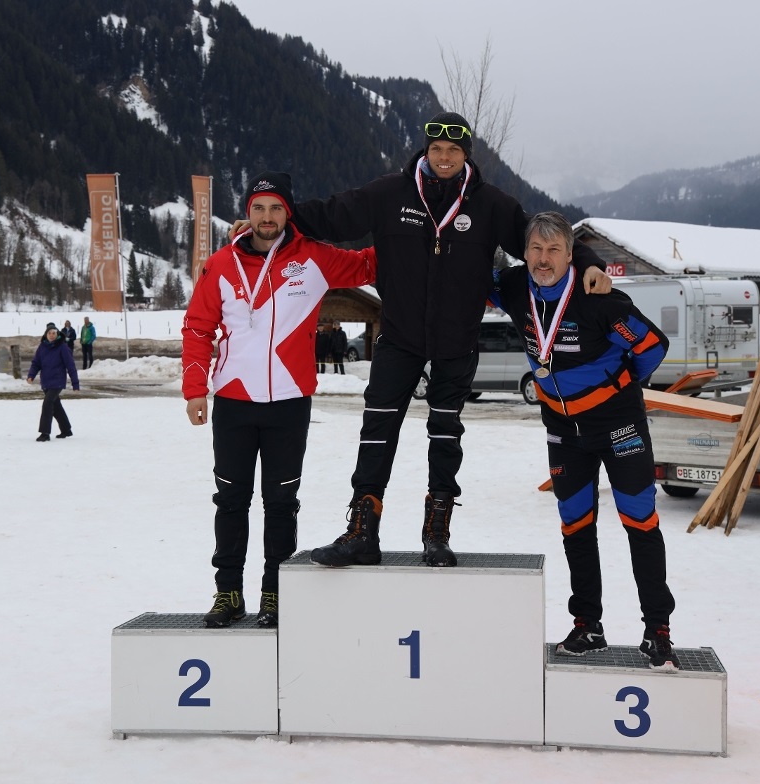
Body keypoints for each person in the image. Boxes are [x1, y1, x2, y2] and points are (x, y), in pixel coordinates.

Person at [284, 111, 612, 568]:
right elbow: (331, 215)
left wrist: (590, 261)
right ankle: (362, 531)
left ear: (466, 155)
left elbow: (540, 238)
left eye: (453, 150)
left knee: (445, 435)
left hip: (457, 341)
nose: (444, 157)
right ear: (425, 150)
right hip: (399, 337)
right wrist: (276, 219)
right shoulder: (389, 193)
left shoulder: (490, 205)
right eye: (436, 149)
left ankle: (436, 532)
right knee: (377, 431)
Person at [182, 171, 377, 629]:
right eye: (258, 208)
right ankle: (228, 593)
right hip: (233, 403)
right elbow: (197, 328)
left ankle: (276, 592)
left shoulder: (314, 258)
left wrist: (411, 230)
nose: (266, 217)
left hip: (289, 402)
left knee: (282, 503)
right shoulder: (220, 264)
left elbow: (368, 265)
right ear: (247, 213)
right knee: (231, 501)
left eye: (275, 208)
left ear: (288, 213)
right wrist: (195, 390)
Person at [489, 211, 679, 670]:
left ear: (571, 255)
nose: (543, 259)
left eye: (554, 250)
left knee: (640, 522)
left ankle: (658, 630)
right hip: (563, 431)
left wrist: (618, 388)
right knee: (575, 525)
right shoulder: (514, 288)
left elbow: (652, 346)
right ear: (524, 252)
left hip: (619, 427)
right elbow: (468, 275)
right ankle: (587, 625)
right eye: (536, 249)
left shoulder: (600, 299)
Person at [26, 323, 80, 442]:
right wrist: (31, 375)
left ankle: (45, 433)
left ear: (57, 334)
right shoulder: (42, 347)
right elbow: (36, 363)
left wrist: (75, 383)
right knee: (56, 406)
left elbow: (70, 366)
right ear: (46, 335)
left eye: (54, 333)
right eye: (49, 333)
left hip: (57, 381)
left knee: (47, 403)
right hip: (46, 381)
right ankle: (66, 429)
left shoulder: (62, 347)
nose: (51, 335)